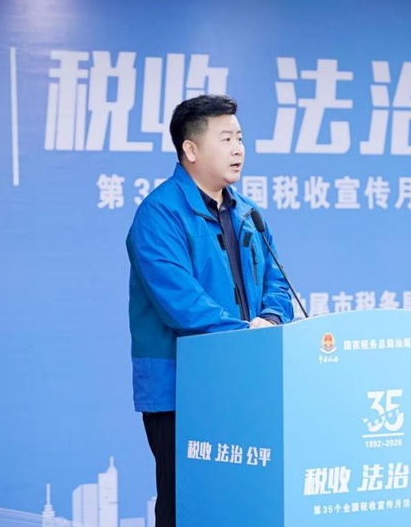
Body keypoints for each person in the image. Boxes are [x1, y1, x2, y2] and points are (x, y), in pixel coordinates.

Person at [125, 94, 294, 527]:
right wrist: (247, 334)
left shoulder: (248, 213)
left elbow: (277, 283)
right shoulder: (159, 215)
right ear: (191, 149)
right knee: (188, 505)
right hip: (181, 389)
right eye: (226, 138)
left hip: (247, 382)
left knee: (241, 501)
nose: (238, 149)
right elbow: (181, 303)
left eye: (240, 138)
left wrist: (271, 321)